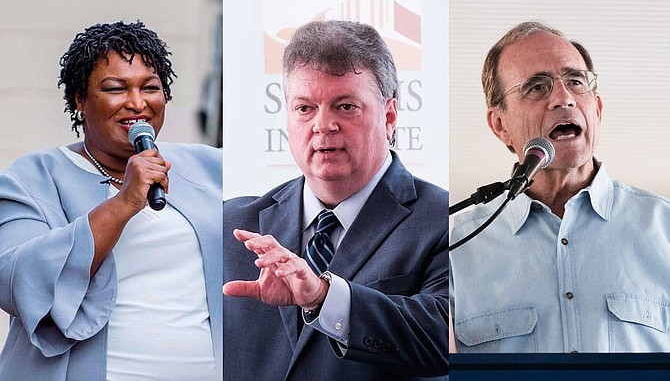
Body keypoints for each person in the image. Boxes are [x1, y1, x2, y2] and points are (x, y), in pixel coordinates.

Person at [223, 20, 449, 380]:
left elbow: (447, 339)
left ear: (389, 117)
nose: (322, 125)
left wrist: (324, 297)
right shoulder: (232, 224)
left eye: (345, 107)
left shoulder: (448, 219)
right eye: (304, 108)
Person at [0, 21, 222, 379]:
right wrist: (123, 204)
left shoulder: (213, 168)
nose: (137, 103)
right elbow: (15, 279)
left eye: (150, 87)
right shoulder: (32, 178)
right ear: (80, 100)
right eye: (116, 89)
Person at [449, 21, 670, 353]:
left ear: (596, 108)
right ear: (500, 125)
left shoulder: (664, 228)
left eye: (576, 82)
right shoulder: (456, 247)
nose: (563, 98)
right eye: (537, 87)